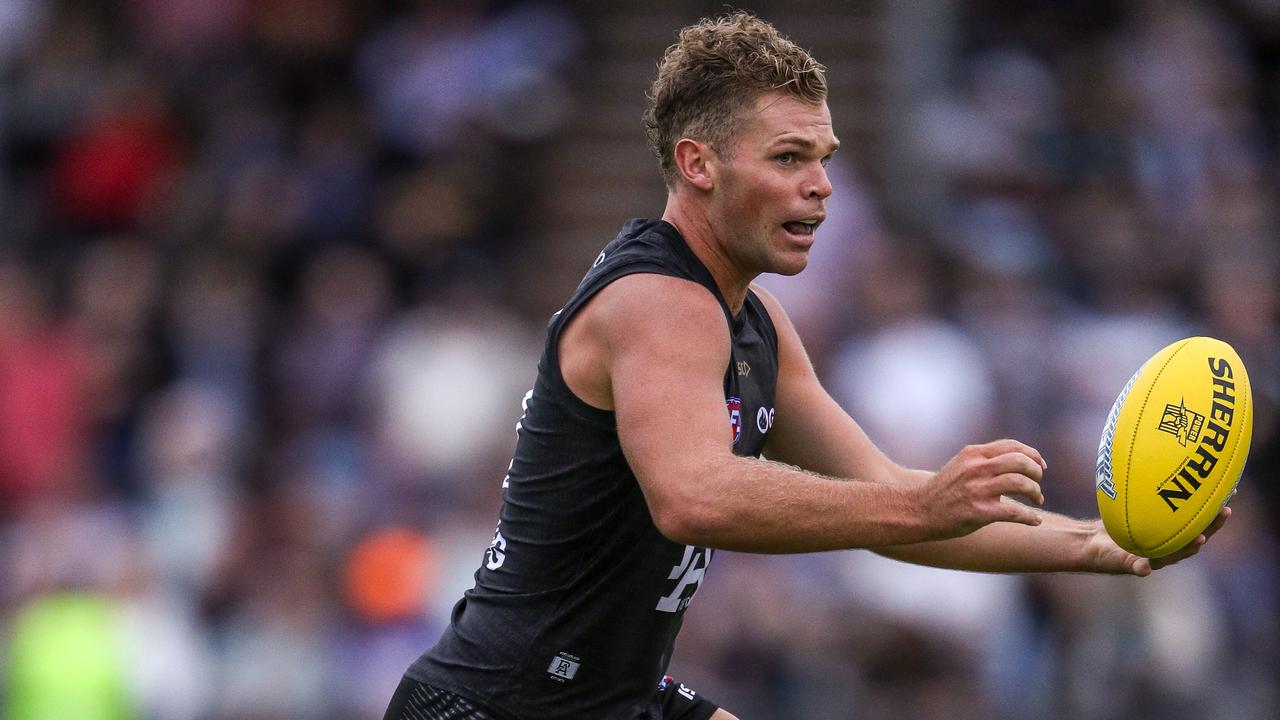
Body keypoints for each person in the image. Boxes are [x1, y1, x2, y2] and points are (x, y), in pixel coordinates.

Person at [383, 11, 1229, 720]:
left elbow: (895, 501)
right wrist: (919, 503)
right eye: (789, 157)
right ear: (697, 164)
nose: (822, 185)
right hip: (497, 703)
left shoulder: (756, 325)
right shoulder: (658, 301)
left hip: (606, 697)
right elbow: (694, 495)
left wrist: (1096, 543)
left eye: (823, 157)